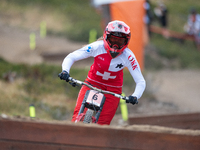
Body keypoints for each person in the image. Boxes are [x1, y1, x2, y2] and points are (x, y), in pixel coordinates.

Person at [59, 20, 146, 125]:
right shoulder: (97, 47)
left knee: (103, 125)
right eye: (113, 40)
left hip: (113, 90)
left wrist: (135, 96)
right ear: (106, 36)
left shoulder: (128, 56)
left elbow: (140, 81)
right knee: (77, 117)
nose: (115, 45)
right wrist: (65, 71)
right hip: (91, 83)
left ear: (126, 42)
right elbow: (72, 56)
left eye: (119, 42)